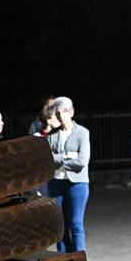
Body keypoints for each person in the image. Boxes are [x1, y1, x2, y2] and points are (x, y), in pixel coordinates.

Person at [45, 96, 91, 252]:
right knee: (60, 227)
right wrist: (66, 156)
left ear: (70, 112)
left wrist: (59, 160)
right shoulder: (52, 135)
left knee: (76, 224)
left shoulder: (82, 133)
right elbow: (47, 160)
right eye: (56, 113)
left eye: (61, 112)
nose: (58, 116)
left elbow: (82, 161)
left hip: (78, 183)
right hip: (56, 183)